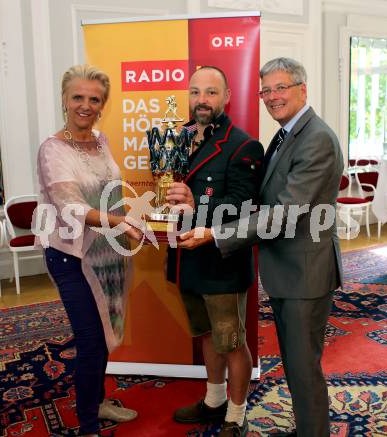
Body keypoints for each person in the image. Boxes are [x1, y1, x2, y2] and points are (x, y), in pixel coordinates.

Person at [178, 58, 344, 437]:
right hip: (289, 269)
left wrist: (215, 234)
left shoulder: (315, 138)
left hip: (306, 273)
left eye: (281, 87)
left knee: (304, 370)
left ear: (303, 89)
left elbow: (284, 213)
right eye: (266, 90)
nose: (272, 96)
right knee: (296, 366)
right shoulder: (288, 133)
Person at [35, 64, 141, 437]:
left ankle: (97, 403)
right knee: (91, 340)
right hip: (71, 255)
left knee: (105, 331)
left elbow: (112, 192)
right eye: (78, 97)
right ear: (64, 99)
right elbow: (70, 206)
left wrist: (132, 220)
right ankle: (89, 425)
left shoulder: (101, 140)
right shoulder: (52, 149)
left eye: (94, 99)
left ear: (103, 104)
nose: (86, 105)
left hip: (107, 252)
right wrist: (120, 224)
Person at [166, 66, 264, 437]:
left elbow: (244, 206)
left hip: (222, 263)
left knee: (232, 342)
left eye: (210, 92)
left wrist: (195, 204)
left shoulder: (243, 145)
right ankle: (214, 400)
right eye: (195, 92)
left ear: (226, 97)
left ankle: (236, 415)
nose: (201, 100)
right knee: (206, 335)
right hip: (187, 258)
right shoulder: (180, 138)